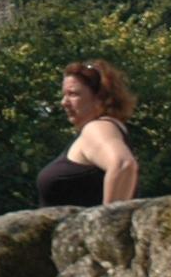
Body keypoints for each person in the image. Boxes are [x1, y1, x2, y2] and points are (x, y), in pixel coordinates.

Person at [37, 57, 139, 207]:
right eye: (64, 95)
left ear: (100, 98)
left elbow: (124, 165)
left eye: (73, 94)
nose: (64, 102)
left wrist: (107, 223)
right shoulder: (106, 129)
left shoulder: (98, 128)